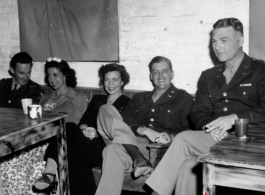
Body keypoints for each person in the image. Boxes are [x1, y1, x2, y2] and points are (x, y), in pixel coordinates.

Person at [145, 17, 265, 195]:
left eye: (224, 40)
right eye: (214, 41)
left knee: (183, 139)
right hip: (216, 138)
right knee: (188, 167)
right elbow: (198, 111)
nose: (217, 47)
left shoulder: (260, 70)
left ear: (240, 40)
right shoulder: (209, 76)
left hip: (251, 142)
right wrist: (213, 128)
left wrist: (236, 118)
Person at [95, 56, 194, 195]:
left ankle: (139, 159)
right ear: (150, 76)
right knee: (105, 109)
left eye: (164, 71)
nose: (160, 76)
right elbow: (125, 122)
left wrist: (171, 137)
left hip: (160, 151)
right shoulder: (139, 98)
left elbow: (190, 130)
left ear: (172, 74)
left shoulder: (184, 99)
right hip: (131, 145)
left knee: (111, 150)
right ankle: (138, 158)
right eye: (155, 72)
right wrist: (144, 130)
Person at [75, 63, 131, 194]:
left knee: (73, 154)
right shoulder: (97, 99)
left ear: (122, 81)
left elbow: (120, 133)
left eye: (115, 79)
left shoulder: (128, 103)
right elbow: (83, 123)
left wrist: (98, 134)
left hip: (106, 147)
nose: (110, 84)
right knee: (69, 128)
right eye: (107, 79)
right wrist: (85, 130)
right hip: (86, 142)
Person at [34, 57, 87, 194]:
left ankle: (49, 174)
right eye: (49, 75)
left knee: (65, 128)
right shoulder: (45, 98)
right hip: (44, 141)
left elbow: (84, 125)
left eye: (56, 75)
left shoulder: (79, 98)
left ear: (65, 75)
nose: (52, 79)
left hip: (70, 144)